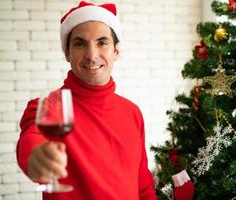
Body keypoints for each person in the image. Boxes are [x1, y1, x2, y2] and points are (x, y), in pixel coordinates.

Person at [16, 1, 157, 200]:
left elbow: (143, 187)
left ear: (116, 51)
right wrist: (35, 155)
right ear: (67, 53)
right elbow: (32, 137)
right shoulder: (48, 107)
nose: (92, 55)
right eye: (80, 43)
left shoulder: (132, 112)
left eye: (102, 42)